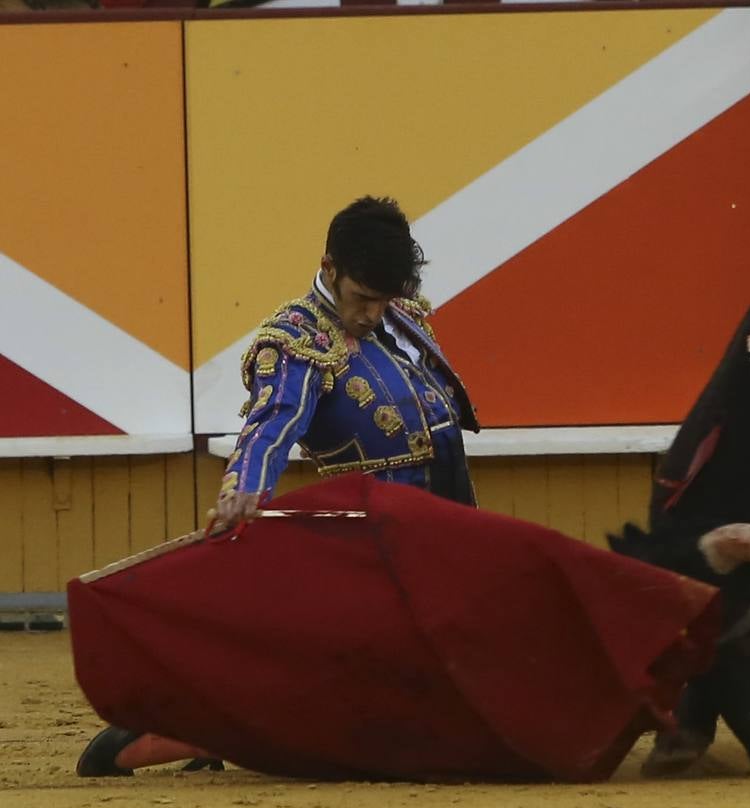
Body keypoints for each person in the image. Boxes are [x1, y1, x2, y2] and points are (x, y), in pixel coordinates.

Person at [76, 196, 481, 777]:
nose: (371, 313)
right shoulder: (296, 337)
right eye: (362, 298)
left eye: (383, 299)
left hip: (445, 524)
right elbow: (275, 420)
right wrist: (243, 487)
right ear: (329, 267)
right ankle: (179, 734)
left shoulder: (400, 318)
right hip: (375, 543)